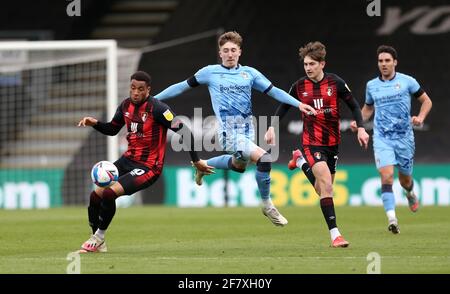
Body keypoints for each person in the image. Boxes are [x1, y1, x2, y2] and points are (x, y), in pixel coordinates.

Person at [154, 31, 316, 226]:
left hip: (248, 131)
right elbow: (180, 87)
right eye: (225, 51)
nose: (229, 54)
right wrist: (153, 99)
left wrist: (298, 104)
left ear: (240, 52)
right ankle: (267, 205)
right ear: (220, 53)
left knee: (238, 166)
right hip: (228, 133)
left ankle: (202, 165)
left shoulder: (250, 74)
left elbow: (274, 91)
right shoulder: (209, 72)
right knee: (264, 158)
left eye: (233, 50)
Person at [77, 71, 213, 252]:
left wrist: (196, 161)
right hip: (128, 160)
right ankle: (97, 241)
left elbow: (185, 132)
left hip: (149, 167)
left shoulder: (158, 109)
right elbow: (112, 129)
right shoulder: (125, 105)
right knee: (95, 196)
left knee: (109, 194)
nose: (135, 92)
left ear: (148, 90)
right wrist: (95, 123)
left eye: (140, 89)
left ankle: (99, 237)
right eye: (133, 88)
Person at [264, 41, 369, 247]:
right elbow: (284, 106)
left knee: (322, 190)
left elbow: (354, 105)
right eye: (305, 65)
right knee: (327, 187)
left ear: (322, 64)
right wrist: (271, 127)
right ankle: (335, 235)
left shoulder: (336, 83)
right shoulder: (299, 86)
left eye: (312, 64)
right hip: (312, 142)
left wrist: (362, 127)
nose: (308, 68)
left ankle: (300, 161)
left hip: (333, 144)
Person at [350, 45, 432, 234]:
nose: (384, 64)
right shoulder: (372, 85)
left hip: (404, 139)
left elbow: (427, 101)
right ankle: (392, 219)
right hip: (382, 138)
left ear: (395, 62)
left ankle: (410, 193)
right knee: (386, 176)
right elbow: (368, 108)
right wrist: (359, 122)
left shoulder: (407, 81)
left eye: (387, 60)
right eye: (381, 61)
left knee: (405, 180)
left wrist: (420, 118)